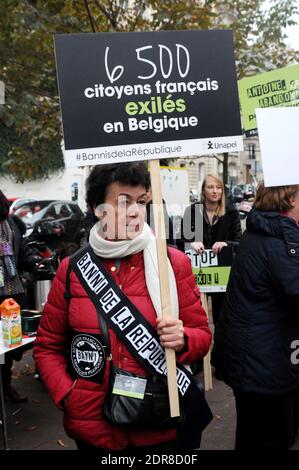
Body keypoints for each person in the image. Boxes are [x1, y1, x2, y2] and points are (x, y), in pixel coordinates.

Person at [34, 162, 212, 453]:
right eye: (123, 202)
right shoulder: (71, 270)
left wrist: (184, 339)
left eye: (141, 202)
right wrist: (68, 395)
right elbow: (47, 346)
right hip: (94, 429)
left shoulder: (172, 263)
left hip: (159, 427)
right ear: (96, 207)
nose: (135, 211)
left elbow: (202, 336)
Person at [215, 182, 299, 450]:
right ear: (290, 199)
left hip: (258, 359)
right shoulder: (278, 242)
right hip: (265, 364)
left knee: (255, 435)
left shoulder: (266, 232)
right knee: (271, 438)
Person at [178, 174, 242, 326]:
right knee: (196, 316)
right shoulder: (191, 212)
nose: (215, 191)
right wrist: (190, 243)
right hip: (198, 274)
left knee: (222, 318)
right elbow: (180, 242)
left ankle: (220, 347)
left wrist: (226, 243)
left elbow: (240, 242)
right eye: (210, 187)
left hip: (222, 274)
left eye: (218, 187)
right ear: (203, 191)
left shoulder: (231, 213)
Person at [0, 190, 41, 402]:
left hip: (11, 297)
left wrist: (34, 260)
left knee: (8, 349)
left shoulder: (12, 225)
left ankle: (6, 386)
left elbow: (22, 251)